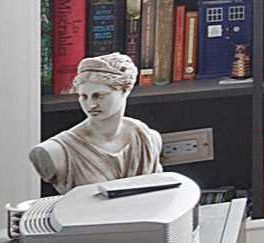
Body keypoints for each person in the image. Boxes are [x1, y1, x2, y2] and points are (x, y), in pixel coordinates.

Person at [28, 52, 167, 190]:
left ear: (125, 91)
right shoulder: (53, 152)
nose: (91, 105)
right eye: (84, 96)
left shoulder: (148, 139)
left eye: (99, 96)